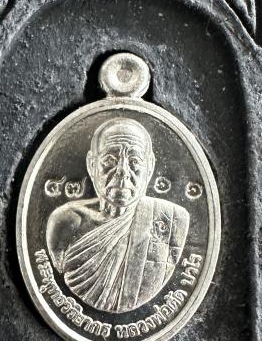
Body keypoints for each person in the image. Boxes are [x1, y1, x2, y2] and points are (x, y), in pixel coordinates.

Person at [46, 117, 189, 313]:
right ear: (92, 165)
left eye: (134, 161)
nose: (122, 171)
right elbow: (57, 270)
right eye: (109, 160)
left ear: (150, 168)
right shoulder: (66, 221)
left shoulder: (173, 220)